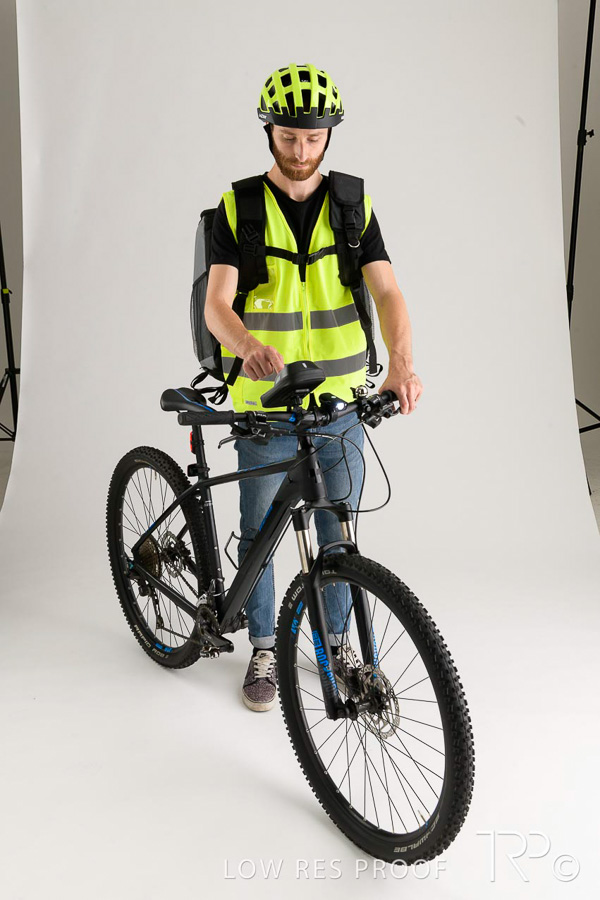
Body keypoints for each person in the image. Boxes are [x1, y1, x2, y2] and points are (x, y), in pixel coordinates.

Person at [205, 63, 423, 712]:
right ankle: (264, 645)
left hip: (340, 405)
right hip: (265, 406)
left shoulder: (354, 205)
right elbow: (217, 304)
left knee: (339, 531)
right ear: (269, 131)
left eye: (313, 138)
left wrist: (402, 364)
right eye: (289, 137)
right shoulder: (240, 208)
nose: (301, 152)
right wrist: (246, 345)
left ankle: (337, 645)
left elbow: (388, 292)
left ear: (329, 135)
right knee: (260, 534)